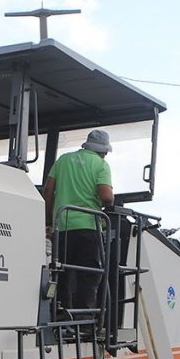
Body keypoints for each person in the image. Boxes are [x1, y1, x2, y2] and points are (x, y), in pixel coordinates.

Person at [43, 129, 114, 312]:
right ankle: (85, 319)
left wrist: (48, 220)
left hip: (62, 227)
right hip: (88, 227)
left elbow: (48, 191)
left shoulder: (63, 160)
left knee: (62, 273)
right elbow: (106, 197)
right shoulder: (101, 165)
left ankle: (62, 315)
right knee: (88, 275)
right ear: (104, 151)